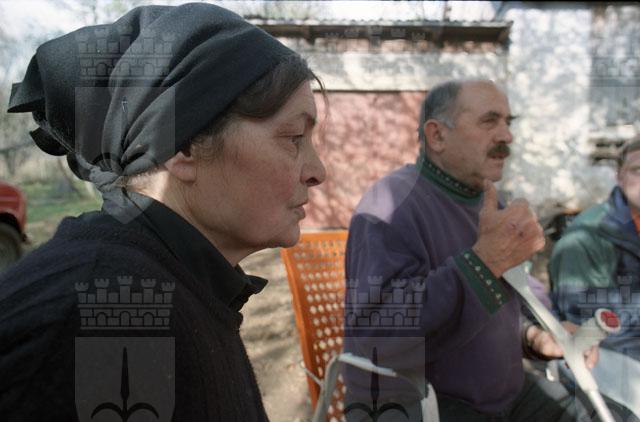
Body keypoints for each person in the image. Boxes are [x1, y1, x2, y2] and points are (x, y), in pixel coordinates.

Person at [0, 4, 326, 421]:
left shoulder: (179, 286)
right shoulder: (99, 319)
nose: (318, 171)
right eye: (294, 137)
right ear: (182, 144)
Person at [343, 79, 596, 421]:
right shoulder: (389, 204)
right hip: (421, 402)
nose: (507, 136)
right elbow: (381, 336)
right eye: (490, 121)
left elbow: (504, 306)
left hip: (507, 395)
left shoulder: (490, 204)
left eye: (508, 122)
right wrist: (482, 264)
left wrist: (534, 335)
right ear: (437, 136)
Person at [550, 140, 640, 357]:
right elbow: (585, 327)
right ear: (619, 176)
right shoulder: (584, 239)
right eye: (638, 170)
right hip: (609, 367)